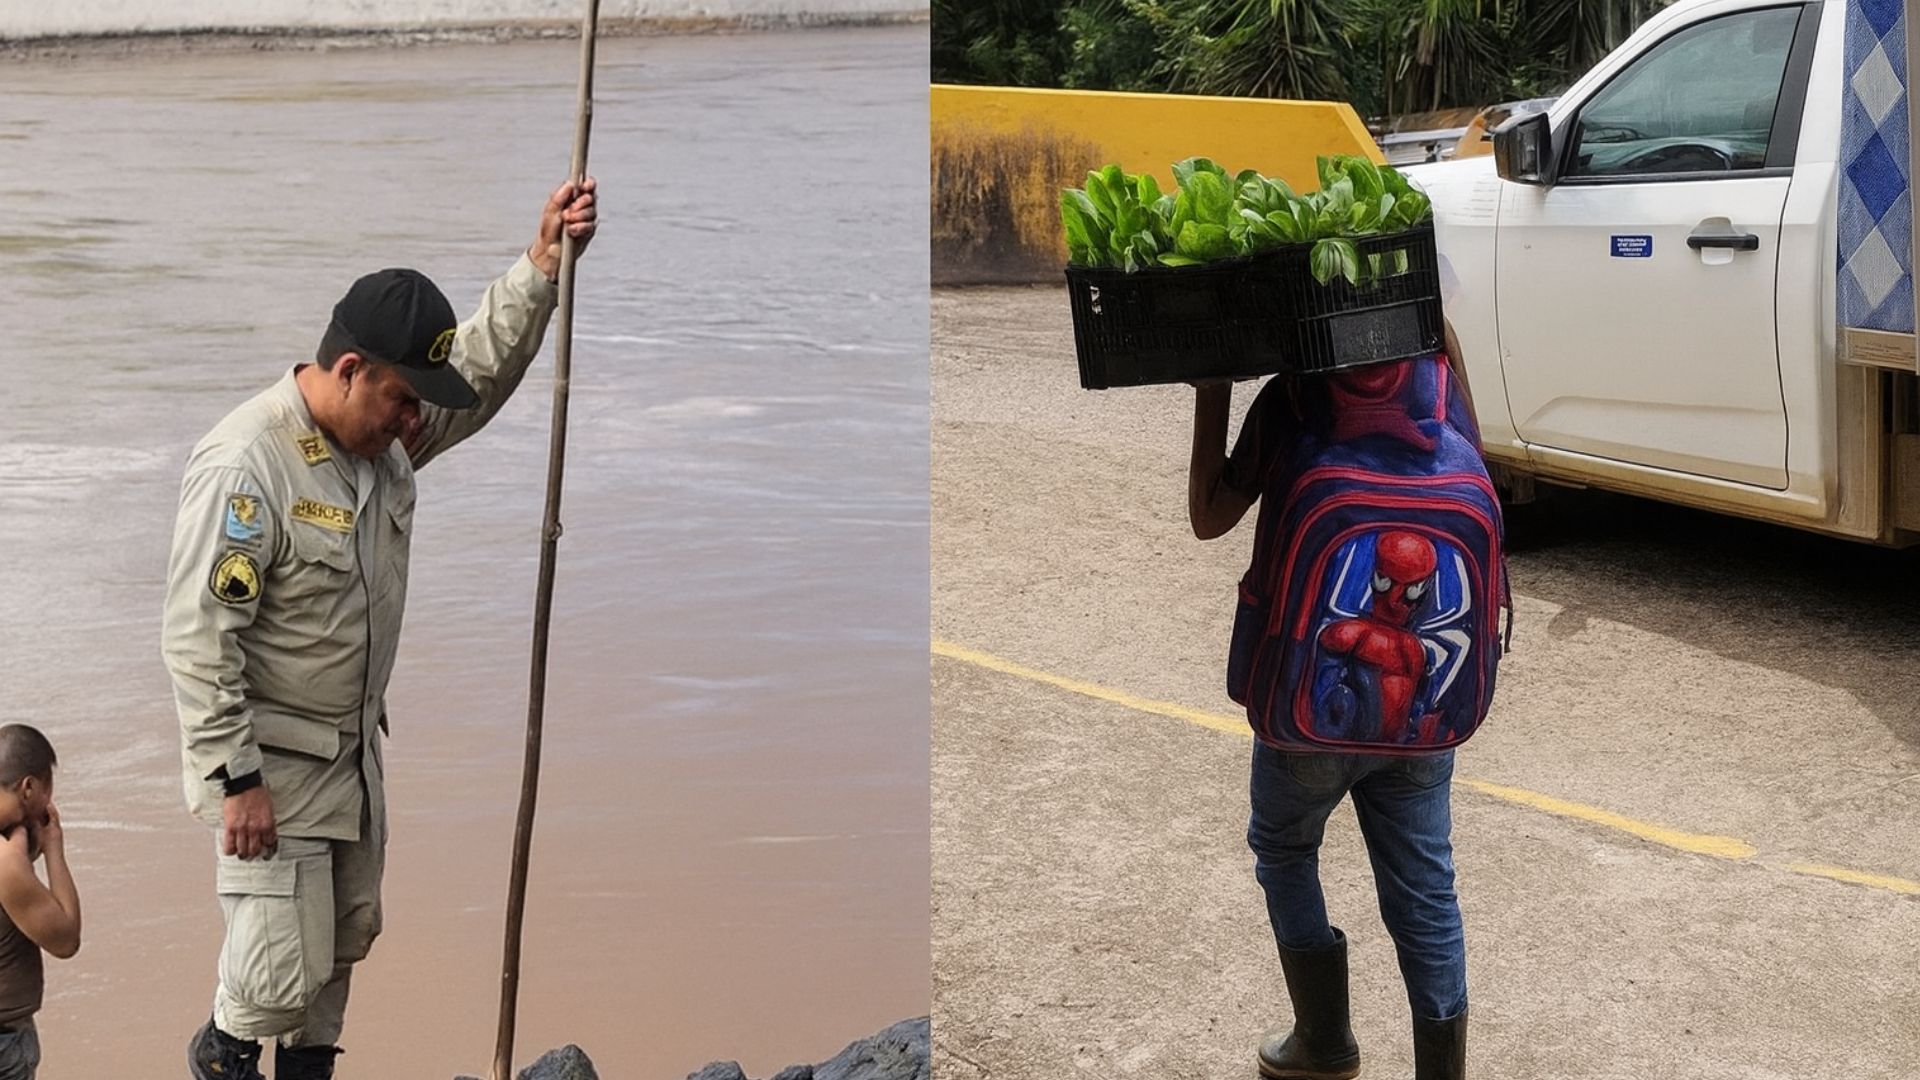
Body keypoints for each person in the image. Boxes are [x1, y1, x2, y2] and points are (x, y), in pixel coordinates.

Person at [162, 178, 598, 1080]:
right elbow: (200, 640)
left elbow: (475, 374)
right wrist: (235, 781)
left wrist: (543, 266)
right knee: (270, 985)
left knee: (332, 967)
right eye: (402, 399)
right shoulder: (250, 465)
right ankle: (220, 1057)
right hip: (270, 770)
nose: (414, 421)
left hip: (352, 757)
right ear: (350, 368)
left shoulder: (379, 444)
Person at [1187, 340, 1480, 1080]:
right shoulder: (1442, 380)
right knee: (1426, 891)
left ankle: (1322, 1040)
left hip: (1304, 718)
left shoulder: (1296, 394)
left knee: (1286, 850)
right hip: (1421, 728)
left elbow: (1209, 515)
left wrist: (1212, 389)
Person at [0, 724, 82, 1080]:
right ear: (29, 787)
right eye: (47, 790)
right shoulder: (7, 864)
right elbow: (66, 940)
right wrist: (53, 848)